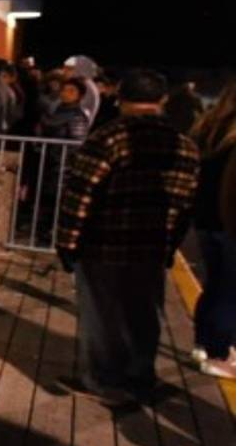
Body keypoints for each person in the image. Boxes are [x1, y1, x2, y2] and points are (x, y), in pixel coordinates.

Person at [54, 69, 200, 406]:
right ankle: (140, 375)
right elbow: (184, 205)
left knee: (102, 316)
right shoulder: (185, 146)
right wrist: (169, 245)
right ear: (162, 100)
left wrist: (67, 242)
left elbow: (80, 195)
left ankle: (105, 380)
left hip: (104, 243)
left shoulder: (108, 138)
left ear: (119, 99)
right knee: (144, 312)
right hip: (151, 245)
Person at [190, 82, 236, 378]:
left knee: (215, 284)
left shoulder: (207, 127)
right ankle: (220, 355)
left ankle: (202, 345)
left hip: (205, 219)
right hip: (229, 221)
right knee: (230, 293)